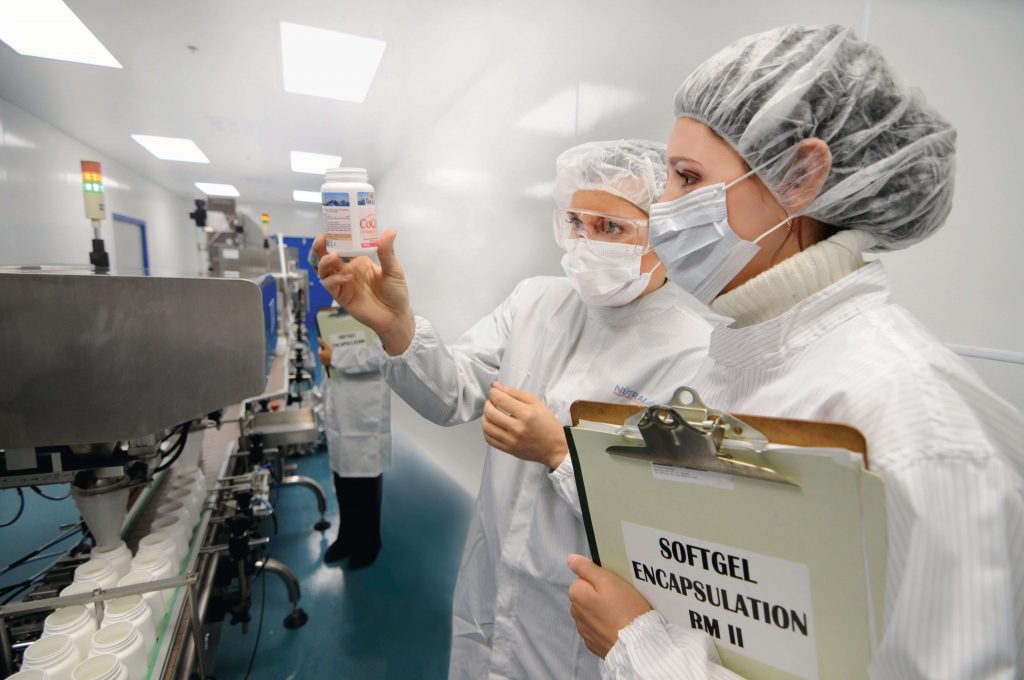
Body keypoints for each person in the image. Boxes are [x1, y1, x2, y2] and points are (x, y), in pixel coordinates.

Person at [565, 24, 1024, 679]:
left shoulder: (916, 422)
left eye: (686, 177)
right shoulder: (736, 359)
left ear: (800, 175)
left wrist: (642, 649)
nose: (663, 211)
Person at [311, 139, 725, 678]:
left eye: (612, 228)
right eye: (576, 221)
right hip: (492, 580)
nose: (587, 242)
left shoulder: (697, 352)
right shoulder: (536, 301)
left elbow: (675, 517)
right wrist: (395, 325)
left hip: (579, 619)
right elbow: (451, 393)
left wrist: (560, 453)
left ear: (663, 231)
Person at [316, 303, 391, 569]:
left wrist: (335, 357)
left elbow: (382, 355)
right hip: (340, 407)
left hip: (365, 409)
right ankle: (347, 537)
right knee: (343, 479)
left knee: (366, 483)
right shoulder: (337, 310)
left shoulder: (381, 309)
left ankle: (370, 542)